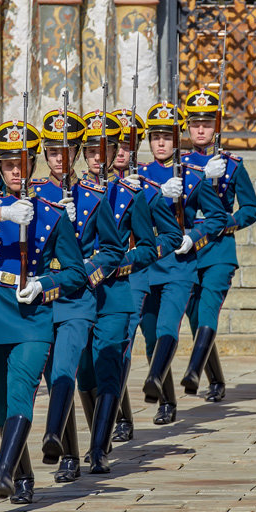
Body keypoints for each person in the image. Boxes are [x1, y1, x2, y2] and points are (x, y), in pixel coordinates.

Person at [0, 120, 87, 504]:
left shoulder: (52, 212)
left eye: (21, 163)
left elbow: (76, 274)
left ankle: (2, 471)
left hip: (33, 314)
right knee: (2, 404)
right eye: (7, 164)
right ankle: (23, 477)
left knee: (22, 389)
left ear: (32, 165)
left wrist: (45, 284)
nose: (14, 171)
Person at [74, 109, 156, 474]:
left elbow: (153, 246)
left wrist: (121, 262)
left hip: (115, 293)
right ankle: (98, 432)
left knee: (108, 369)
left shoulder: (129, 194)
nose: (96, 157)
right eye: (90, 151)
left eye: (103, 151)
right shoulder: (67, 195)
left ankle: (98, 448)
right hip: (76, 294)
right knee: (83, 374)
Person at [136, 100, 226, 424]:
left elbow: (217, 217)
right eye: (156, 136)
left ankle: (156, 382)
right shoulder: (140, 176)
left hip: (179, 262)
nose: (161, 142)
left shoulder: (192, 173)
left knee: (166, 326)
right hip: (147, 263)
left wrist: (194, 236)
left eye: (168, 136)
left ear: (177, 140)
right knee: (149, 336)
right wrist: (154, 193)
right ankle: (166, 399)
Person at [31, 107, 100, 482]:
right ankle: (69, 453)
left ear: (76, 152)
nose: (60, 159)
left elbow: (112, 246)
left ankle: (57, 438)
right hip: (43, 295)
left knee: (65, 370)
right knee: (49, 374)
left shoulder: (95, 194)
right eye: (53, 152)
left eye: (67, 151)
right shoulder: (35, 194)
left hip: (76, 295)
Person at [181, 88, 256, 401]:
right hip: (187, 248)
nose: (201, 129)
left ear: (217, 126)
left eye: (208, 123)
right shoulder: (179, 164)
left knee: (209, 308)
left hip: (218, 248)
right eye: (195, 123)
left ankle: (193, 371)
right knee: (194, 315)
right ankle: (216, 379)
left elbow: (251, 209)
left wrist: (229, 222)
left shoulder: (233, 164)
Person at [110, 105, 183, 442]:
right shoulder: (94, 186)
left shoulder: (145, 184)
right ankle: (120, 416)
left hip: (138, 271)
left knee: (147, 339)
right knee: (115, 345)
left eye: (127, 145)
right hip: (102, 277)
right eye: (115, 145)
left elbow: (166, 235)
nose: (121, 152)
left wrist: (152, 190)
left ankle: (165, 398)